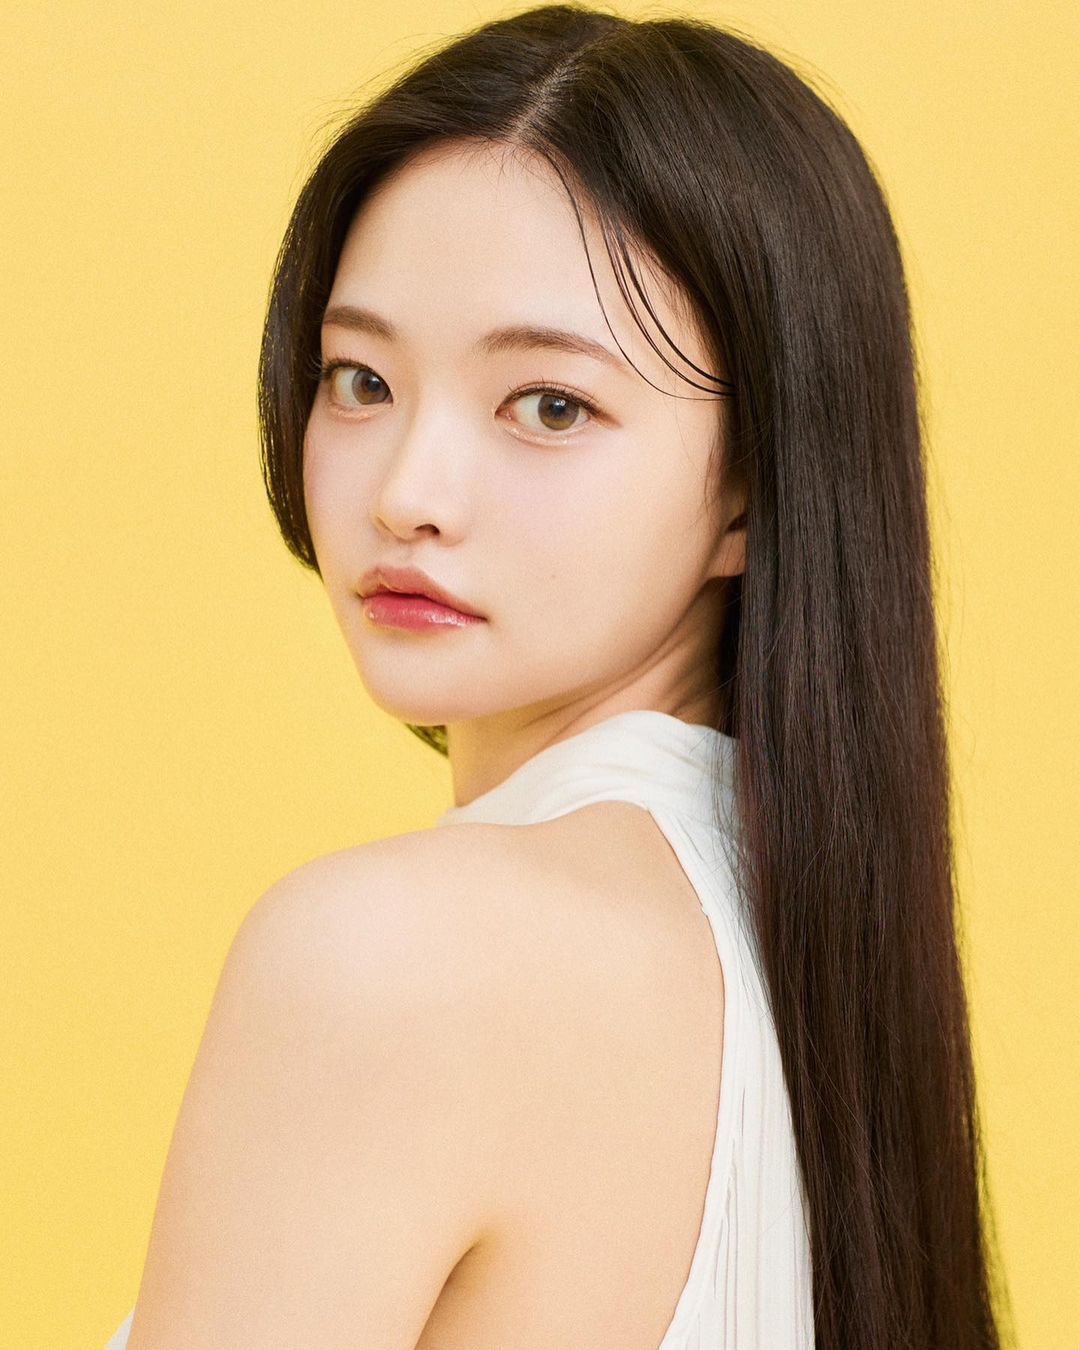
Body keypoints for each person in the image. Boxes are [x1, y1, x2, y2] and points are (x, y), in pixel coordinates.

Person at [105, 5, 1013, 1348]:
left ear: (755, 485)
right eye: (361, 379)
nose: (408, 493)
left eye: (549, 405)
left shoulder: (389, 958)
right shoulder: (820, 961)